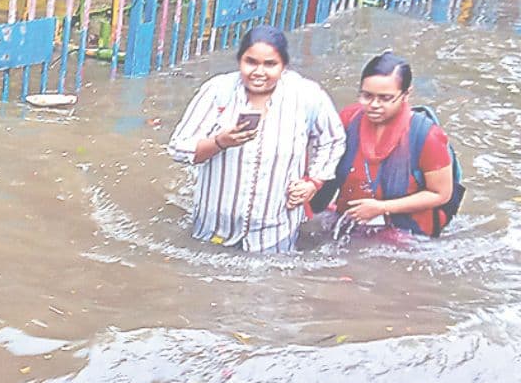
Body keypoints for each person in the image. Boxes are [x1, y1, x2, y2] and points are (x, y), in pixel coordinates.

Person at [167, 25, 346, 253]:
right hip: (214, 227)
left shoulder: (306, 97)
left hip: (274, 231)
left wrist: (314, 183)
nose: (259, 72)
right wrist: (220, 142)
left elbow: (332, 140)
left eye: (270, 64)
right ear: (240, 60)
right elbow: (178, 148)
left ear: (284, 66)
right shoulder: (218, 92)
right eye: (250, 62)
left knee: (268, 285)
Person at [310, 52, 457, 237]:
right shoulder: (349, 119)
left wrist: (382, 208)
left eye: (385, 98)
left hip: (406, 234)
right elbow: (326, 162)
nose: (374, 105)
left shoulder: (428, 136)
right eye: (366, 96)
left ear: (406, 94)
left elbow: (441, 194)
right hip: (350, 220)